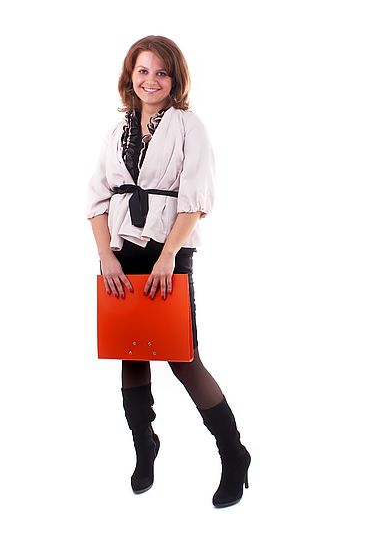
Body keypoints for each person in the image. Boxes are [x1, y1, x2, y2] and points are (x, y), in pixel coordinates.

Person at [86, 35, 251, 508]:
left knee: (182, 356)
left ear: (174, 79)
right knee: (130, 352)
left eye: (161, 72)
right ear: (129, 76)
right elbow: (96, 200)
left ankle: (234, 455)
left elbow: (195, 200)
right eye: (143, 70)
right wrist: (106, 258)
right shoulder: (116, 128)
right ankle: (145, 446)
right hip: (120, 253)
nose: (151, 80)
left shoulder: (187, 125)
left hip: (168, 254)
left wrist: (166, 259)